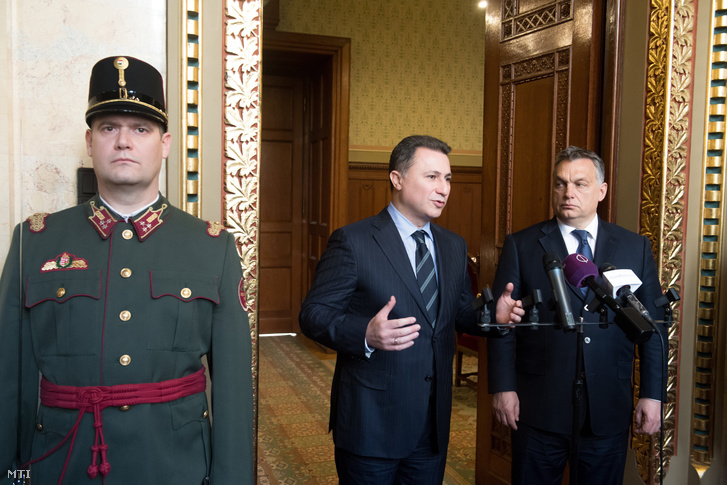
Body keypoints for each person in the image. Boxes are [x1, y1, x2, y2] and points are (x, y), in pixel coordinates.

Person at [0, 56, 254, 484]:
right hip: (63, 465)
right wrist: (13, 477)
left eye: (141, 129)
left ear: (166, 143)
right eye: (108, 127)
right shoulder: (34, 241)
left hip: (174, 467)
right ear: (89, 140)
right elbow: (9, 383)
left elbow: (232, 392)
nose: (123, 141)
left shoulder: (213, 247)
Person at [299, 135, 523, 485]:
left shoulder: (452, 245)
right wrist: (365, 334)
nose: (444, 189)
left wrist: (492, 316)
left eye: (448, 179)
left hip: (431, 426)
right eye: (432, 177)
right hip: (371, 424)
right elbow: (313, 315)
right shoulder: (354, 241)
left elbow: (459, 312)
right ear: (397, 179)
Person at [487, 146, 668, 485]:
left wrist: (652, 394)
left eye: (580, 184)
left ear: (601, 190)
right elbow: (502, 322)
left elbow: (654, 325)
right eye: (560, 184)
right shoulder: (522, 245)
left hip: (607, 409)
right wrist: (503, 386)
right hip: (538, 406)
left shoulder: (634, 247)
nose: (568, 192)